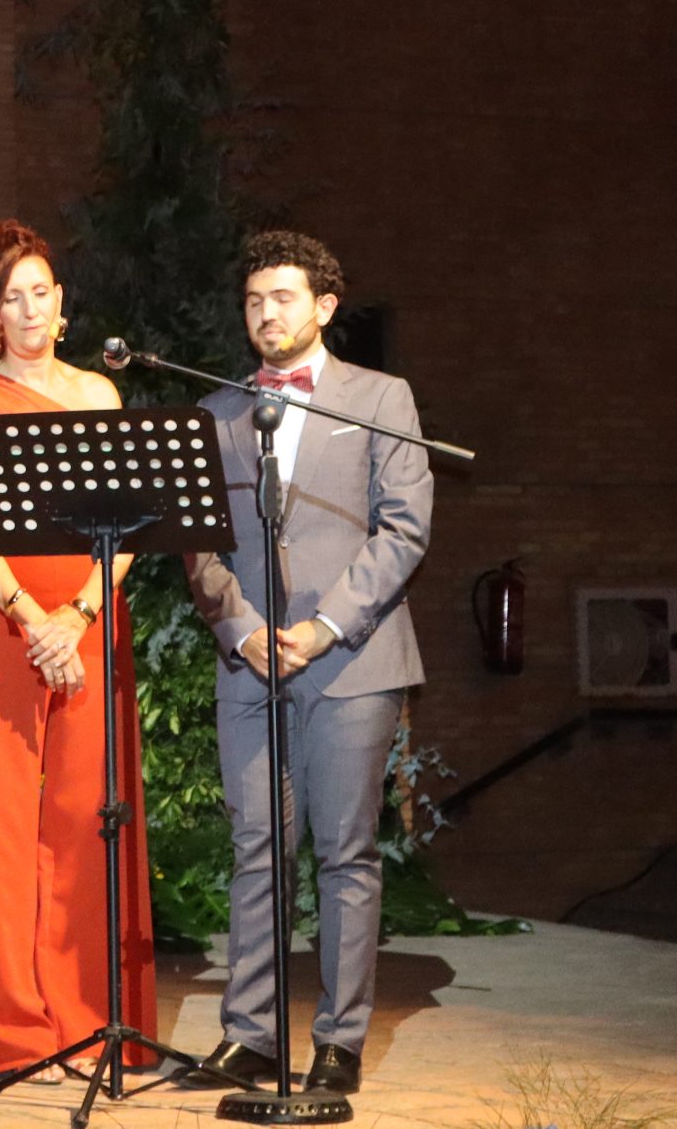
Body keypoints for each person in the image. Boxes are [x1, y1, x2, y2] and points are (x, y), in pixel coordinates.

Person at [0, 219, 156, 1082]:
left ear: (63, 302)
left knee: (89, 818)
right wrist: (29, 615)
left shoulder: (99, 394)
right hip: (0, 626)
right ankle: (8, 1030)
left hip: (89, 623)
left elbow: (130, 526)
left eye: (43, 291)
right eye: (14, 297)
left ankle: (86, 1016)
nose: (32, 308)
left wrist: (76, 615)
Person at [181, 231, 432, 1098]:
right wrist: (242, 626)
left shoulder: (381, 398)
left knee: (345, 851)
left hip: (350, 661)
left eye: (282, 297)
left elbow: (405, 529)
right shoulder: (217, 412)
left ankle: (339, 1039)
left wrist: (325, 626)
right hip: (251, 662)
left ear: (324, 306)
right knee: (257, 848)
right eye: (254, 301)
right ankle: (250, 1035)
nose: (266, 313)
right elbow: (197, 545)